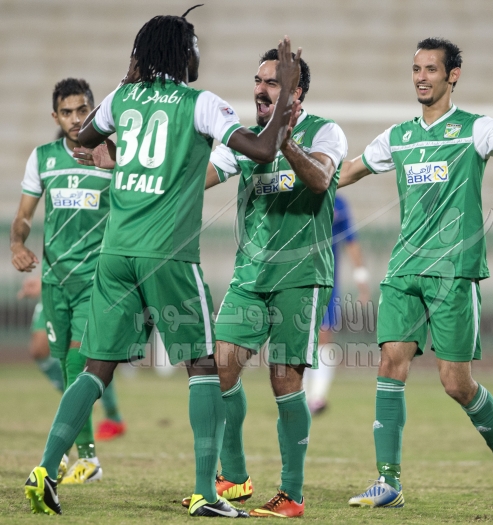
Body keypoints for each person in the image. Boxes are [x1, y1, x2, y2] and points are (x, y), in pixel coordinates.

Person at [22, 6, 301, 518]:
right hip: (168, 254)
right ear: (181, 53)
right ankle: (206, 493)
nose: (198, 55)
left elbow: (83, 138)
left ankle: (44, 468)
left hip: (115, 253)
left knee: (96, 367)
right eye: (194, 47)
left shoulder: (122, 97)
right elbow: (263, 150)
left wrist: (118, 127)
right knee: (203, 366)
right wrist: (285, 92)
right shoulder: (201, 103)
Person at [339, 37, 493, 510]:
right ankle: (388, 481)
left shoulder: (475, 129)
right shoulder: (398, 137)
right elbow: (348, 171)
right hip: (405, 268)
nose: (421, 77)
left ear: (452, 76)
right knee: (390, 362)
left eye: (431, 69)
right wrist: (305, 176)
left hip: (454, 272)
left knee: (456, 383)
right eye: (416, 69)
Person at [189, 47, 347, 518]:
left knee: (285, 379)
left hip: (302, 276)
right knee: (219, 368)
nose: (260, 90)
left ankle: (292, 494)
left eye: (272, 83)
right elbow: (201, 178)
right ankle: (235, 476)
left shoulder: (326, 132)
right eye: (257, 81)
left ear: (297, 92)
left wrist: (285, 143)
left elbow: (320, 180)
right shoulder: (245, 140)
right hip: (250, 276)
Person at [11, 78, 127, 487]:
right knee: (64, 366)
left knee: (78, 365)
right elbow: (25, 215)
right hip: (55, 281)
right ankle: (81, 456)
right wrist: (17, 243)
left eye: (82, 110)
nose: (76, 119)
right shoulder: (43, 158)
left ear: (94, 110)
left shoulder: (114, 157)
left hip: (96, 281)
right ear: (55, 116)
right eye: (67, 112)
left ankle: (80, 457)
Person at [17, 277, 126, 441]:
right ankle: (78, 396)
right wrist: (43, 279)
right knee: (39, 349)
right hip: (54, 286)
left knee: (91, 349)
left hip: (86, 283)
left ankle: (113, 417)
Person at [304, 195, 370, 415]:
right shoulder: (295, 195)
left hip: (326, 280)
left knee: (324, 334)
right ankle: (298, 395)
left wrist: (361, 278)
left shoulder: (338, 203)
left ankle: (317, 396)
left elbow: (351, 240)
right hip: (295, 277)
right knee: (299, 336)